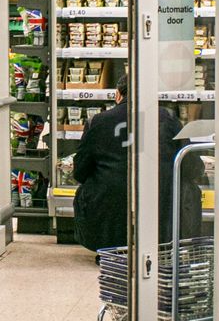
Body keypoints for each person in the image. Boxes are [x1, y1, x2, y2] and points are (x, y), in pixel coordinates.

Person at [72, 73, 203, 252]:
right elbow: (190, 165)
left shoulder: (98, 121)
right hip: (160, 202)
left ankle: (110, 248)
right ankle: (165, 246)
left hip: (110, 207)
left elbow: (80, 171)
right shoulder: (168, 118)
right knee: (187, 188)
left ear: (118, 95)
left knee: (85, 191)